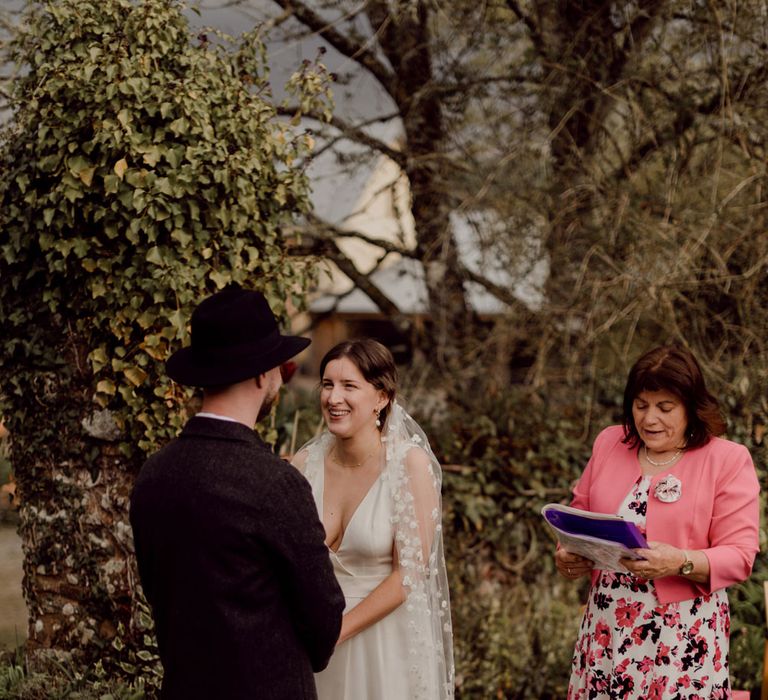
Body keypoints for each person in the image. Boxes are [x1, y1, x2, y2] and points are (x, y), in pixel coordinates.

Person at [130, 286, 345, 700]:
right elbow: (324, 620)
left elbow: (159, 592)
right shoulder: (274, 483)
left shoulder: (153, 475)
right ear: (263, 375)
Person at [555, 344, 760, 698]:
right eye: (641, 405)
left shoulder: (727, 459)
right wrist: (567, 553)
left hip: (682, 636)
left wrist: (679, 562)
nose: (649, 419)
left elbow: (740, 556)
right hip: (608, 627)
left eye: (665, 408)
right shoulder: (609, 442)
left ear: (691, 408)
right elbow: (579, 514)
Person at [291, 339, 454, 700]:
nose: (334, 398)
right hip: (312, 646)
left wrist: (336, 632)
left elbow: (409, 575)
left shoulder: (408, 465)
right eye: (328, 385)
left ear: (381, 397)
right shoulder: (305, 465)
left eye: (349, 386)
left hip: (382, 644)